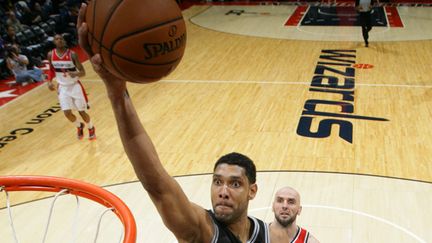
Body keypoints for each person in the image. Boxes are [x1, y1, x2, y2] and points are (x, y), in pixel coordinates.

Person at [76, 3, 270, 242]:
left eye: (235, 184)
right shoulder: (200, 230)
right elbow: (156, 183)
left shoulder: (264, 233)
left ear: (253, 191)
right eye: (217, 182)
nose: (223, 192)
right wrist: (117, 94)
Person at [47, 33, 96, 140]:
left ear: (64, 41)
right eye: (56, 39)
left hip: (75, 86)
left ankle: (91, 127)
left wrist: (76, 74)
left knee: (82, 112)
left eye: (61, 39)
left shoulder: (72, 55)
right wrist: (49, 81)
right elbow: (51, 69)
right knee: (67, 113)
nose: (59, 40)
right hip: (62, 87)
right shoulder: (51, 55)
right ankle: (79, 126)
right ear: (54, 42)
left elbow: (83, 72)